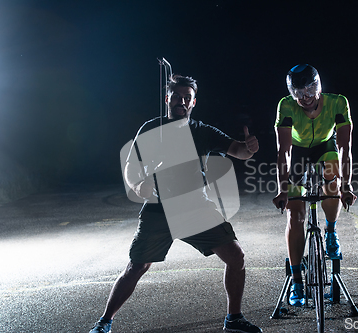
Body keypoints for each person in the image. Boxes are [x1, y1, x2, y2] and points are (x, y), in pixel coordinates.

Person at [89, 75, 262, 333]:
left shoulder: (202, 131)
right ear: (167, 98)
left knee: (236, 256)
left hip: (196, 207)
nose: (182, 101)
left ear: (194, 102)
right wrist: (137, 185)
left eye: (187, 97)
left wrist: (249, 148)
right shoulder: (151, 129)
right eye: (177, 96)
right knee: (137, 266)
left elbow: (238, 151)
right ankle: (104, 322)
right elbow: (130, 166)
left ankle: (234, 319)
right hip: (159, 209)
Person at [272, 64, 357, 307]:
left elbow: (344, 148)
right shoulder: (285, 106)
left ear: (319, 87)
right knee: (295, 216)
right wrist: (283, 189)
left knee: (332, 174)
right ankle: (297, 280)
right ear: (292, 93)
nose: (306, 98)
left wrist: (346, 185)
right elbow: (284, 150)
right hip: (298, 152)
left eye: (311, 90)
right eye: (299, 93)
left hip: (324, 145)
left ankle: (330, 230)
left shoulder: (338, 102)